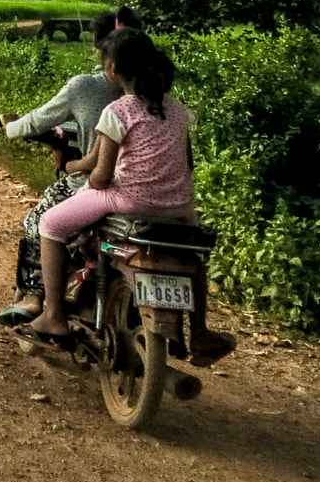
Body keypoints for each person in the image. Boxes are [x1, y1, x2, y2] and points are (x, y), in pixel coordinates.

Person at [25, 27, 196, 346]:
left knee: (50, 224)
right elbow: (188, 164)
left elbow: (102, 177)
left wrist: (84, 178)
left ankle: (54, 316)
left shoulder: (117, 111)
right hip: (180, 207)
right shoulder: (177, 110)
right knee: (193, 256)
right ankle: (199, 333)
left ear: (112, 69)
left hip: (128, 201)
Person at [0, 8, 136, 328]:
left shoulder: (86, 89)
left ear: (103, 54)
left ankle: (35, 298)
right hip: (157, 192)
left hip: (100, 184)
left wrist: (9, 126)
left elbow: (39, 125)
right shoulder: (160, 95)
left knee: (38, 222)